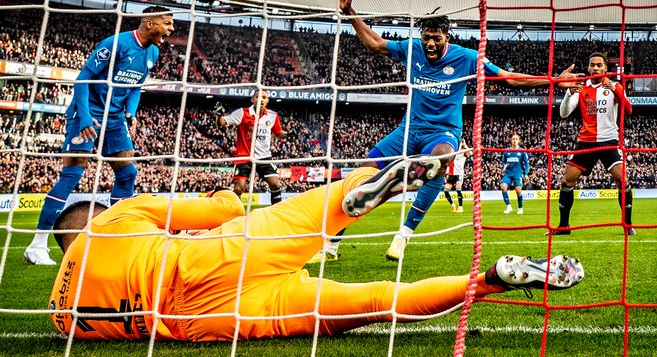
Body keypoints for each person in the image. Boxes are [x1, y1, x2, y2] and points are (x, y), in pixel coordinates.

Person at [48, 155, 585, 341]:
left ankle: (488, 281)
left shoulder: (56, 315)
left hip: (205, 324)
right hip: (201, 262)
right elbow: (227, 211)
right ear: (90, 218)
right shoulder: (116, 216)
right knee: (312, 210)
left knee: (376, 302)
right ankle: (357, 195)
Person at [323, 0, 577, 262]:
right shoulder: (412, 49)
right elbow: (375, 43)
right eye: (426, 38)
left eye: (436, 38)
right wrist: (350, 12)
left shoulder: (466, 58)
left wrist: (552, 80)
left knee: (441, 159)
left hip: (442, 132)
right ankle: (332, 245)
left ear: (447, 37)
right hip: (408, 130)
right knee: (360, 174)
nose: (430, 44)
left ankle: (403, 235)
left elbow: (508, 78)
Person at [24, 6, 174, 266]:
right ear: (150, 23)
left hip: (115, 119)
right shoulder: (115, 44)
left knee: (128, 173)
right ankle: (37, 245)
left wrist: (131, 112)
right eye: (168, 22)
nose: (171, 29)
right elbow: (83, 79)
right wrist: (83, 117)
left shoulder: (153, 52)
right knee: (72, 174)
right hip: (88, 114)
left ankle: (116, 236)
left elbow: (136, 86)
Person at [547, 52, 635, 236]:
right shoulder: (580, 88)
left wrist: (615, 89)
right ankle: (563, 227)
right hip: (586, 142)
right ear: (588, 68)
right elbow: (564, 113)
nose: (595, 68)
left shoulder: (615, 86)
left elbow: (628, 110)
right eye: (592, 65)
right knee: (566, 181)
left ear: (605, 68)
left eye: (599, 65)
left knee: (622, 180)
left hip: (609, 140)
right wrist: (568, 93)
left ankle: (627, 225)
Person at [215, 90, 288, 205]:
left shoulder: (273, 116)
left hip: (264, 157)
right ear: (252, 100)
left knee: (276, 184)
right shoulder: (242, 113)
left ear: (267, 100)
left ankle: (276, 213)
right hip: (244, 156)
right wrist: (219, 115)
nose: (261, 99)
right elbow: (222, 123)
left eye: (264, 97)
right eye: (258, 97)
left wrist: (289, 133)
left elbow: (278, 133)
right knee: (239, 188)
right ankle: (236, 213)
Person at [500, 133, 530, 215]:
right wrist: (504, 166)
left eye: (516, 139)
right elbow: (503, 161)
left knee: (518, 190)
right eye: (513, 139)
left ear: (519, 141)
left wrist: (526, 174)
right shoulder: (506, 151)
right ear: (511, 140)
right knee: (503, 187)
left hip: (518, 173)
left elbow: (527, 163)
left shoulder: (522, 151)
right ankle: (508, 206)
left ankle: (520, 208)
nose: (514, 140)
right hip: (508, 173)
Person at [444, 141, 471, 213]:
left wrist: (465, 144)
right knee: (446, 191)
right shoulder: (453, 152)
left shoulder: (463, 152)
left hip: (459, 174)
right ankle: (452, 205)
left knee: (458, 190)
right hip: (451, 174)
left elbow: (471, 154)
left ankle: (460, 206)